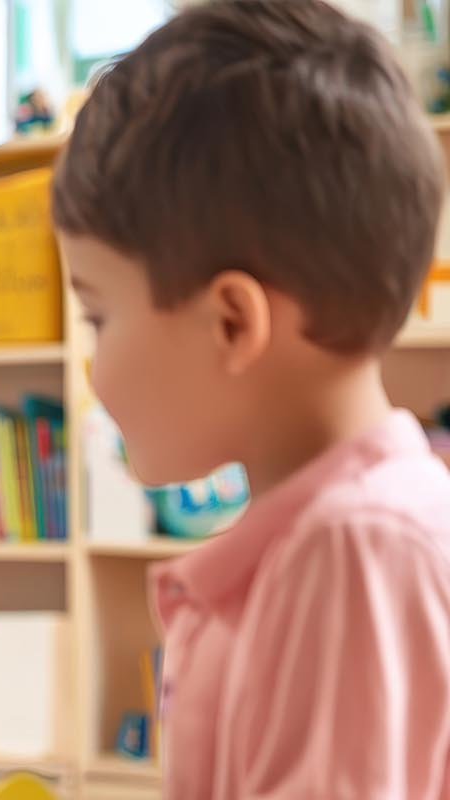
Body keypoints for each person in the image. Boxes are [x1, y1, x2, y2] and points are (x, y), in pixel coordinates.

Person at [54, 1, 450, 796]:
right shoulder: (331, 535)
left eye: (100, 317)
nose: (94, 368)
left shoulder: (351, 550)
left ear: (231, 321)